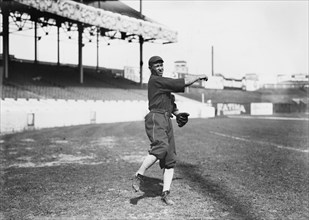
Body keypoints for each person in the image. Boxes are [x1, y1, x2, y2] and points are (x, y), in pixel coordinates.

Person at [132, 55, 208, 205]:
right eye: (156, 66)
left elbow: (171, 105)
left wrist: (178, 114)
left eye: (161, 65)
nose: (160, 68)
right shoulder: (155, 80)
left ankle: (165, 193)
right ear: (150, 69)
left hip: (166, 119)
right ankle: (139, 175)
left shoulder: (163, 85)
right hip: (156, 117)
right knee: (161, 147)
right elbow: (182, 82)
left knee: (170, 159)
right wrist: (198, 76)